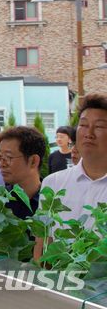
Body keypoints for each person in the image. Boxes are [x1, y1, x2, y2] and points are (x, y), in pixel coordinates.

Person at [34, 93, 107, 260]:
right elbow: (43, 245)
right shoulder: (53, 183)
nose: (89, 133)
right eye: (83, 125)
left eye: (99, 126)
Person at [0, 126, 44, 219]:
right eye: (0, 157)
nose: (2, 164)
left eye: (7, 157)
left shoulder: (51, 203)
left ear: (33, 161)